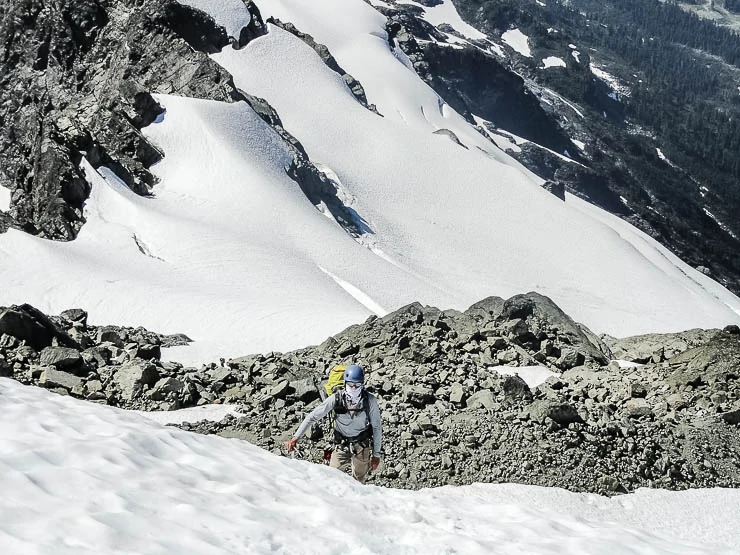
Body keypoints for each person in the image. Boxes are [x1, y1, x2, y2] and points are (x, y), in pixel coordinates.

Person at [285, 364, 382, 483]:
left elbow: (377, 427)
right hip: (341, 446)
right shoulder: (336, 399)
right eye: (350, 385)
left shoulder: (370, 400)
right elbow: (313, 416)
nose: (353, 388)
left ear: (362, 385)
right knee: (332, 479)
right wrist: (296, 437)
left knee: (359, 483)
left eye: (357, 385)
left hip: (362, 446)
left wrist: (376, 455)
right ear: (345, 383)